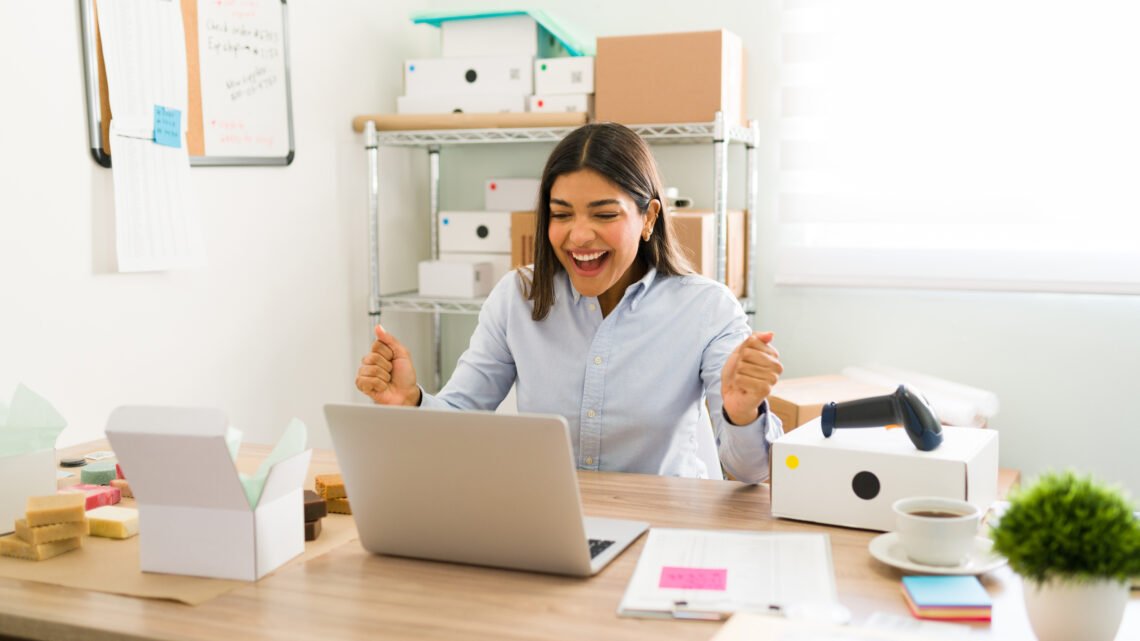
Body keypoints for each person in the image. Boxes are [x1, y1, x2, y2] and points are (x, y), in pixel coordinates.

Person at [355, 122, 783, 483]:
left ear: (648, 217)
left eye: (604, 214)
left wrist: (742, 413)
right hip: (550, 525)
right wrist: (410, 400)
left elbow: (752, 472)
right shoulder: (517, 297)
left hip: (663, 527)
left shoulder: (707, 310)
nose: (578, 237)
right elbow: (459, 420)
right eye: (561, 215)